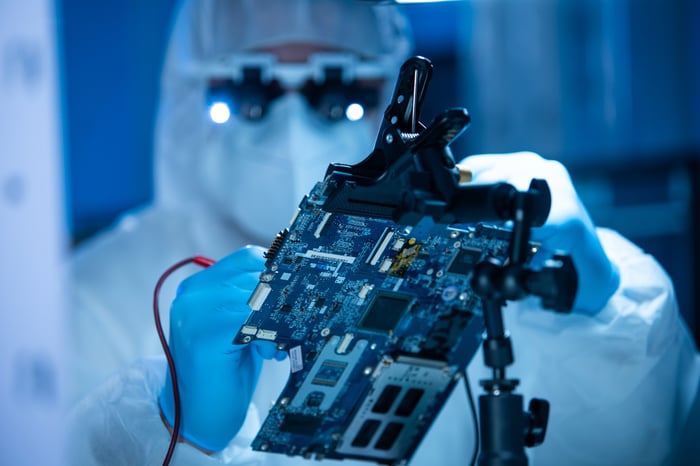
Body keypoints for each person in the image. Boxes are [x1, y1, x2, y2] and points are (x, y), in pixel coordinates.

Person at [65, 0, 700, 465]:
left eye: (339, 91)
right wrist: (177, 439)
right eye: (249, 92)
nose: (294, 133)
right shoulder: (84, 302)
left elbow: (655, 441)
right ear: (186, 102)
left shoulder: (479, 278)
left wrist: (605, 318)